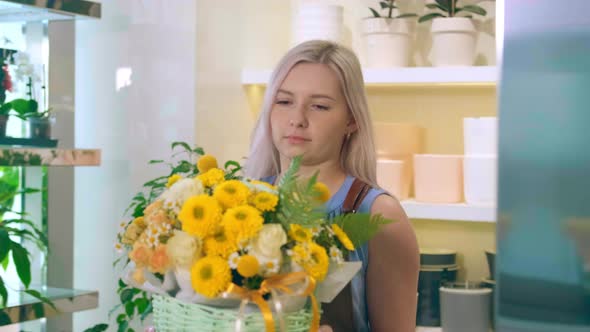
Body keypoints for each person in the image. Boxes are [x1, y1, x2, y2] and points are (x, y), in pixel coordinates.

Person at [245, 40, 420, 332]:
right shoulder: (243, 202)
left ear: (351, 119)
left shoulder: (379, 214)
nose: (297, 120)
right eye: (284, 101)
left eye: (319, 106)